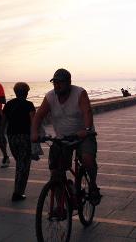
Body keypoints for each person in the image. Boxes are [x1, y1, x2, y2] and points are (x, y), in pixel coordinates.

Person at [31, 68, 101, 205]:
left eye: (60, 83)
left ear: (69, 82)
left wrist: (86, 129)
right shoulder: (50, 96)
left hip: (83, 136)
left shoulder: (79, 93)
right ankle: (60, 206)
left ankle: (92, 185)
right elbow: (38, 116)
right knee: (55, 172)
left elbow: (87, 112)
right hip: (63, 138)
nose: (56, 86)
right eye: (54, 83)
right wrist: (34, 133)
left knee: (87, 159)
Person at [1, 82, 35, 202]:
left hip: (12, 137)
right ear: (26, 92)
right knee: (23, 165)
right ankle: (18, 193)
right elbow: (33, 121)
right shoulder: (29, 105)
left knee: (20, 163)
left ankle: (18, 191)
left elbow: (3, 121)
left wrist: (1, 135)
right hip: (25, 137)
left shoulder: (9, 104)